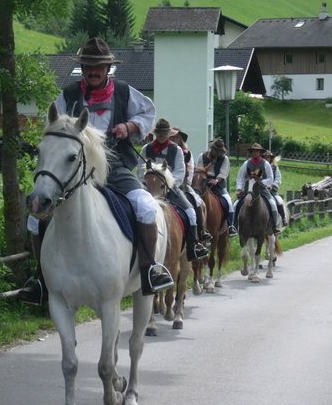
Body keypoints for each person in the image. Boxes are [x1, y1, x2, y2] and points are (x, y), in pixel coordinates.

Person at [20, 37, 173, 304]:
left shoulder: (125, 92)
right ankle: (41, 279)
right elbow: (52, 126)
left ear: (107, 68)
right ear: (82, 67)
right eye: (88, 66)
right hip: (74, 174)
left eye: (99, 66)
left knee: (147, 206)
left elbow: (149, 112)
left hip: (115, 169)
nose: (93, 71)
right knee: (37, 216)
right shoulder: (68, 95)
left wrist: (130, 127)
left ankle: (150, 270)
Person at [137, 118, 208, 261]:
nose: (162, 136)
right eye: (159, 133)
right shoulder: (146, 149)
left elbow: (180, 172)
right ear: (156, 133)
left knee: (190, 211)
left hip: (171, 188)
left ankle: (193, 245)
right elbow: (139, 170)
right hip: (149, 187)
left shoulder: (176, 150)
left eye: (164, 133)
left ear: (169, 134)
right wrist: (145, 182)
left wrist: (167, 182)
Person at [169, 127, 212, 241]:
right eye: (172, 137)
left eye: (176, 137)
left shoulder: (187, 153)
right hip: (163, 184)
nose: (174, 139)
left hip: (183, 184)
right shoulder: (167, 150)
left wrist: (187, 183)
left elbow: (191, 169)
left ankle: (201, 231)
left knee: (198, 202)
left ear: (180, 139)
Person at [234, 142, 280, 234]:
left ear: (260, 153)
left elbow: (270, 178)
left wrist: (259, 182)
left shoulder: (266, 164)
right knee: (235, 205)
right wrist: (239, 188)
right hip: (248, 190)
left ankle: (274, 226)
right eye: (253, 151)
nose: (255, 153)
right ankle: (234, 226)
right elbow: (240, 177)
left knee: (273, 204)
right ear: (251, 152)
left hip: (262, 189)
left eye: (257, 151)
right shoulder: (246, 163)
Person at [195, 138, 238, 237]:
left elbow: (224, 172)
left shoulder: (224, 159)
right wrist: (206, 180)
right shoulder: (202, 156)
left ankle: (231, 226)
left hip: (217, 185)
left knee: (228, 202)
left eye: (218, 151)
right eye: (215, 150)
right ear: (211, 148)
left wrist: (217, 180)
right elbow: (199, 169)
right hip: (203, 183)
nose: (216, 153)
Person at [262, 150, 288, 227]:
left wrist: (273, 185)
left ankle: (283, 219)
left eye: (268, 157)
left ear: (270, 158)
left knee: (279, 202)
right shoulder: (260, 166)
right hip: (261, 189)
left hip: (272, 190)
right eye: (265, 157)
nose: (267, 158)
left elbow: (278, 178)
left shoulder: (275, 168)